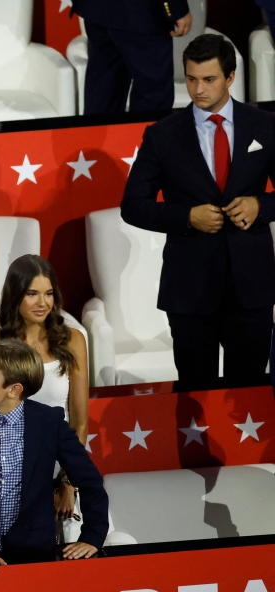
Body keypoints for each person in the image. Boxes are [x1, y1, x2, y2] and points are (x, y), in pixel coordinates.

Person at [121, 35, 275, 390]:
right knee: (195, 394)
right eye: (191, 79)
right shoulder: (162, 136)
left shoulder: (264, 125)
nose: (198, 89)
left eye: (209, 80)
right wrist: (186, 217)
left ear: (231, 77)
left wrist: (260, 205)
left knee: (249, 396)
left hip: (251, 288)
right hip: (190, 290)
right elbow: (132, 206)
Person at [0, 340, 109, 578]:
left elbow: (90, 480)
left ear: (14, 389)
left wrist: (93, 536)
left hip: (32, 552)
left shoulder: (48, 422)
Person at [0, 255, 89, 519]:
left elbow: (80, 421)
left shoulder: (73, 340)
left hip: (61, 463)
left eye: (49, 293)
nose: (43, 303)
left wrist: (67, 482)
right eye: (32, 294)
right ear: (16, 295)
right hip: (9, 469)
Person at [72, 0, 192, 114]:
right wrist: (177, 8)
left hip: (96, 8)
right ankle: (142, 136)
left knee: (104, 87)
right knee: (152, 95)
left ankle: (97, 136)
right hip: (142, 13)